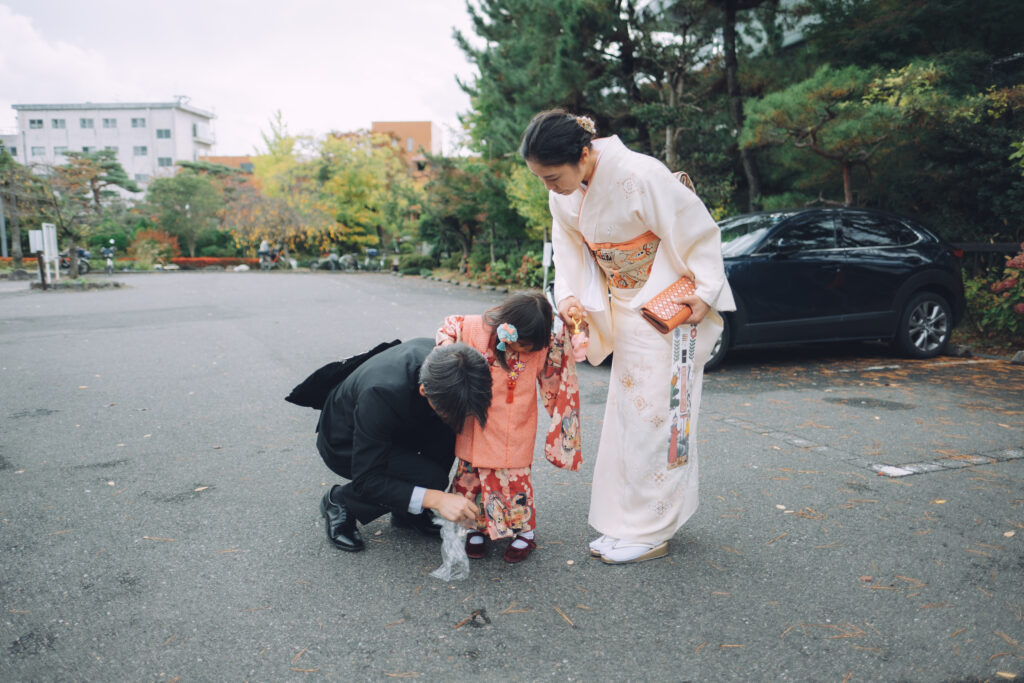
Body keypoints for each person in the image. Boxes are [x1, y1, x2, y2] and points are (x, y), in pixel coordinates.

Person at [520, 109, 736, 564]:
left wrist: (703, 288)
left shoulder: (640, 174)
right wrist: (571, 297)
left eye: (552, 176)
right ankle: (626, 523)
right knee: (627, 421)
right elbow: (569, 249)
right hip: (623, 306)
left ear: (583, 154)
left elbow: (694, 229)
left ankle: (652, 529)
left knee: (658, 420)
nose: (548, 187)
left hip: (663, 307)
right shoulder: (564, 195)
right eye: (540, 177)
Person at [435, 292, 581, 564]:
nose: (525, 350)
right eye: (523, 344)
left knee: (515, 480)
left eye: (530, 346)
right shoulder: (476, 328)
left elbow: (554, 380)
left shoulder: (544, 345)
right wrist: (447, 352)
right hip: (476, 422)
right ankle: (474, 529)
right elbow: (449, 328)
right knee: (471, 478)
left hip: (516, 425)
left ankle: (524, 532)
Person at [313, 339, 493, 552]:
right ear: (424, 391)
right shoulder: (380, 392)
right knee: (429, 479)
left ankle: (409, 512)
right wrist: (436, 498)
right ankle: (341, 501)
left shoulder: (454, 362)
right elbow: (367, 479)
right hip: (346, 442)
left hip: (400, 423)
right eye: (449, 410)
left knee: (447, 434)